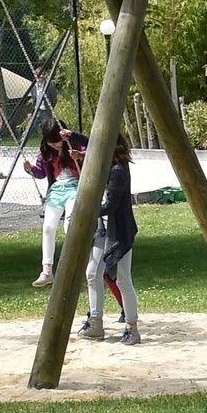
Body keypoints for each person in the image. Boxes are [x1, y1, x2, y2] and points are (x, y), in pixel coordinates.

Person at [77, 138, 141, 346]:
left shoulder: (118, 170)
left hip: (119, 232)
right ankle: (96, 322)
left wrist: (85, 210)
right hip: (103, 230)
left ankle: (132, 329)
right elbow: (94, 141)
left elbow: (110, 205)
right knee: (92, 273)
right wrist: (71, 137)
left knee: (123, 279)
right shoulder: (106, 166)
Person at [28, 119, 85, 289]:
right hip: (56, 191)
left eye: (56, 142)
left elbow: (93, 152)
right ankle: (47, 271)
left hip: (75, 187)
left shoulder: (73, 144)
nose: (54, 145)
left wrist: (79, 155)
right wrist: (30, 169)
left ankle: (71, 265)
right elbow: (40, 173)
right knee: (48, 227)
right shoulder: (46, 150)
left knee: (69, 224)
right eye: (50, 143)